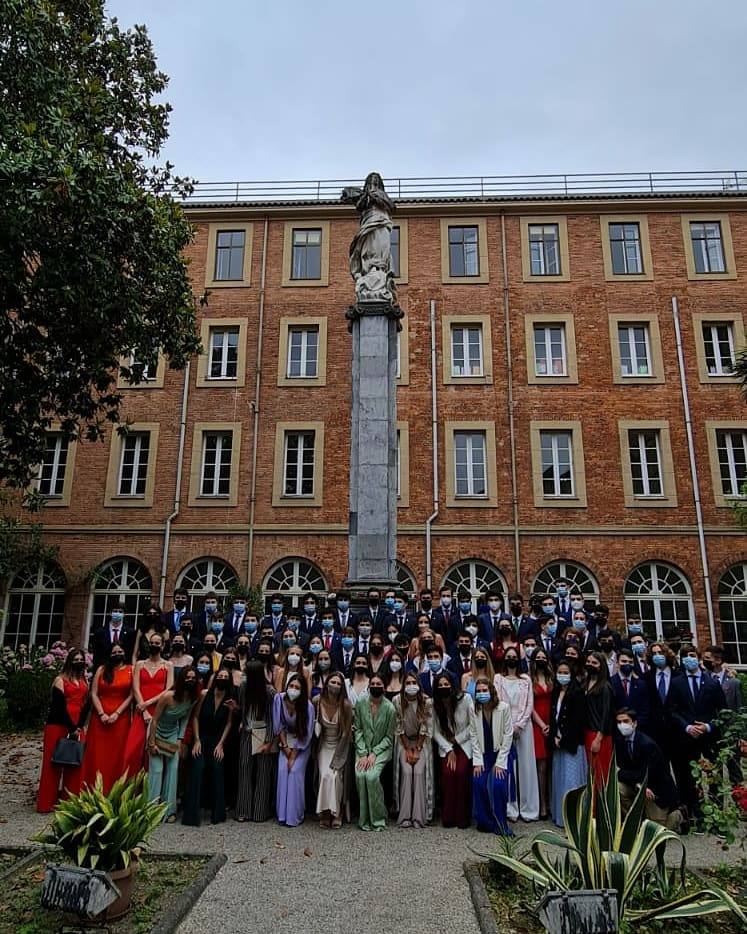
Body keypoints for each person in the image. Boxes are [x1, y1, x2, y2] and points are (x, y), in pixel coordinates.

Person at [667, 644, 726, 822]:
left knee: (713, 776)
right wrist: (686, 727)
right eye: (685, 656)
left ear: (698, 657)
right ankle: (695, 814)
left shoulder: (712, 683)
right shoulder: (677, 683)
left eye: (692, 655)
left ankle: (716, 815)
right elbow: (671, 710)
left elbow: (723, 712)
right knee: (688, 779)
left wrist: (708, 727)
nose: (688, 659)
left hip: (708, 738)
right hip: (686, 738)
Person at [37, 647, 90, 813]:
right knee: (53, 764)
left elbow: (86, 705)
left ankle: (70, 800)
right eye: (76, 660)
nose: (79, 662)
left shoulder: (84, 681)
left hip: (78, 725)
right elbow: (58, 707)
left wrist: (79, 726)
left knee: (74, 763)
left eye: (81, 660)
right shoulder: (60, 680)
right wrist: (72, 727)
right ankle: (46, 802)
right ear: (69, 662)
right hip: (58, 725)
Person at [182, 667, 235, 825]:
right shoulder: (204, 695)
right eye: (221, 676)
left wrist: (221, 745)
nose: (223, 678)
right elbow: (196, 717)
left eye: (226, 676)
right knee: (197, 769)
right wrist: (196, 740)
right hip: (202, 738)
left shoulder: (230, 700)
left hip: (217, 740)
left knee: (218, 769)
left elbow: (229, 723)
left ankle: (217, 815)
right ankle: (191, 815)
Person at [147, 667, 199, 821]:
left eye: (193, 678)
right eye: (187, 678)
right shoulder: (167, 696)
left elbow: (185, 719)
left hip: (173, 734)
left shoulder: (192, 698)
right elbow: (154, 720)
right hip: (156, 732)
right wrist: (151, 742)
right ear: (182, 679)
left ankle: (169, 811)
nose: (190, 680)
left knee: (173, 769)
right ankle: (151, 810)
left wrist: (180, 739)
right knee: (157, 770)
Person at [614, 707, 680, 829]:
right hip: (637, 785)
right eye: (619, 722)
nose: (622, 725)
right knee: (618, 788)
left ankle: (676, 815)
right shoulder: (620, 742)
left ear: (634, 723)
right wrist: (637, 783)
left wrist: (624, 774)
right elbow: (623, 771)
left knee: (656, 829)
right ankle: (634, 821)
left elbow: (647, 773)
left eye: (626, 721)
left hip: (655, 789)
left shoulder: (647, 744)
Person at [495, 646, 539, 822]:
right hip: (504, 727)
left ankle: (529, 810)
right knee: (508, 768)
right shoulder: (498, 679)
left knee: (527, 768)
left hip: (524, 728)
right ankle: (510, 809)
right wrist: (508, 727)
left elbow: (529, 704)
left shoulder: (526, 680)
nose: (511, 658)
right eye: (509, 656)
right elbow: (497, 701)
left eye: (514, 656)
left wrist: (519, 725)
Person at [82, 644, 133, 793]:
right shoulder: (102, 669)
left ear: (125, 653)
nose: (117, 653)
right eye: (114, 652)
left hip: (121, 719)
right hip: (99, 719)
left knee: (117, 755)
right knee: (97, 754)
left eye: (120, 651)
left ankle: (114, 790)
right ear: (110, 654)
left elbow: (131, 695)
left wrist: (117, 713)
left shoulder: (132, 669)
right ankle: (93, 789)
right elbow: (94, 693)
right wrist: (101, 713)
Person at [123, 631, 173, 776]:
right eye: (152, 643)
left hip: (158, 711)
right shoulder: (139, 664)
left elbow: (168, 688)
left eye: (157, 643)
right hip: (141, 711)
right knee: (132, 751)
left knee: (153, 752)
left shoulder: (168, 665)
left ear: (163, 646)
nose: (154, 645)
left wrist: (148, 704)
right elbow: (135, 687)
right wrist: (143, 709)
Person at [432, 674, 477, 829]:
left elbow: (473, 725)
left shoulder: (465, 699)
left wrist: (457, 740)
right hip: (446, 746)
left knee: (461, 772)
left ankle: (462, 817)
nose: (444, 687)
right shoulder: (434, 704)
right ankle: (448, 816)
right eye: (441, 685)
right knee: (449, 773)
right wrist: (449, 748)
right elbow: (435, 731)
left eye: (447, 684)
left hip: (465, 742)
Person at [235, 660, 277, 823]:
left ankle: (260, 811)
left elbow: (274, 718)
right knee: (244, 769)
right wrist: (237, 711)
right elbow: (244, 709)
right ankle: (243, 811)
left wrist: (269, 741)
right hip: (247, 731)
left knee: (263, 773)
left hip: (264, 732)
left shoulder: (270, 692)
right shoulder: (243, 688)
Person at [353, 673, 396, 831]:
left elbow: (389, 737)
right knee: (360, 775)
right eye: (373, 683)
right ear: (369, 686)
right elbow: (357, 729)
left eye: (379, 684)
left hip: (381, 750)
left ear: (384, 687)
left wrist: (374, 753)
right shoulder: (360, 703)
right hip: (362, 748)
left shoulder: (390, 708)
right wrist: (363, 753)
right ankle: (364, 818)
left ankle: (378, 817)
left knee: (371, 777)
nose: (376, 686)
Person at [472, 675, 514, 835]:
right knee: (478, 781)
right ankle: (485, 821)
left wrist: (501, 762)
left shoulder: (503, 708)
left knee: (498, 784)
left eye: (484, 690)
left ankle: (501, 824)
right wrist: (477, 761)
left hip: (501, 752)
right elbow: (473, 735)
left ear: (491, 691)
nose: (481, 693)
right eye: (478, 691)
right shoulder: (473, 709)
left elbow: (508, 735)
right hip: (484, 753)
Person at [549, 659, 588, 828]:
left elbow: (578, 721)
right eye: (560, 673)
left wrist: (563, 739)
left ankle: (574, 820)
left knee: (571, 783)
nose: (562, 676)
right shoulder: (556, 691)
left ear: (571, 675)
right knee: (560, 780)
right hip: (558, 743)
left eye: (566, 673)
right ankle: (561, 817)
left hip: (571, 744)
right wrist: (554, 737)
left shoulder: (577, 693)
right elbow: (553, 717)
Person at [393, 672, 434, 828]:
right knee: (406, 771)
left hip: (421, 742)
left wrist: (417, 748)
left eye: (414, 682)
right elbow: (398, 727)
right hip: (404, 742)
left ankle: (419, 816)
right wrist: (407, 748)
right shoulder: (397, 700)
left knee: (418, 771)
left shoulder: (427, 702)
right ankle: (404, 815)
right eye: (408, 683)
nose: (411, 686)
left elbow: (426, 727)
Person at [273, 672, 315, 826]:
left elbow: (307, 733)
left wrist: (293, 755)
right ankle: (282, 815)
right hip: (284, 742)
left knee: (295, 770)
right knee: (283, 770)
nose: (293, 689)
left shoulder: (308, 707)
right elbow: (279, 727)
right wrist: (285, 749)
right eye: (291, 686)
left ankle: (295, 815)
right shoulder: (279, 699)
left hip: (301, 745)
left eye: (297, 687)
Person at [313, 672, 352, 828]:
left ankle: (338, 812)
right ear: (326, 683)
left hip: (340, 745)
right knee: (325, 775)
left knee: (336, 776)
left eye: (338, 683)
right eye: (332, 682)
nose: (335, 685)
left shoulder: (346, 705)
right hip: (323, 745)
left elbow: (347, 733)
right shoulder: (317, 701)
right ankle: (324, 812)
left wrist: (338, 757)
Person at [583, 650, 615, 785]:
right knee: (590, 772)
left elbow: (606, 714)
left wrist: (598, 738)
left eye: (594, 663)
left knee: (600, 774)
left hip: (599, 735)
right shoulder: (585, 683)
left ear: (601, 666)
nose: (590, 665)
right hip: (587, 732)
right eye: (588, 662)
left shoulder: (605, 687)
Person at [530, 649, 553, 820]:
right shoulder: (529, 680)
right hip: (537, 724)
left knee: (552, 764)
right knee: (541, 766)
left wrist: (552, 724)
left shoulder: (552, 679)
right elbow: (529, 706)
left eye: (543, 657)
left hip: (553, 723)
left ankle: (552, 800)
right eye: (538, 657)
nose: (540, 660)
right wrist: (542, 725)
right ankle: (542, 804)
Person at [610, 648, 650, 731]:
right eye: (624, 661)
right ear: (617, 663)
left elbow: (645, 710)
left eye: (630, 662)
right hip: (616, 729)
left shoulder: (641, 684)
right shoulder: (609, 683)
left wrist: (634, 725)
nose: (627, 664)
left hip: (637, 729)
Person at [91, 603, 136, 670]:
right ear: (110, 613)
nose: (117, 613)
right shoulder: (99, 632)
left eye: (120, 612)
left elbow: (131, 654)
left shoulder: (131, 633)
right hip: (104, 669)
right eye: (115, 611)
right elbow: (96, 656)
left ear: (124, 614)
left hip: (123, 669)